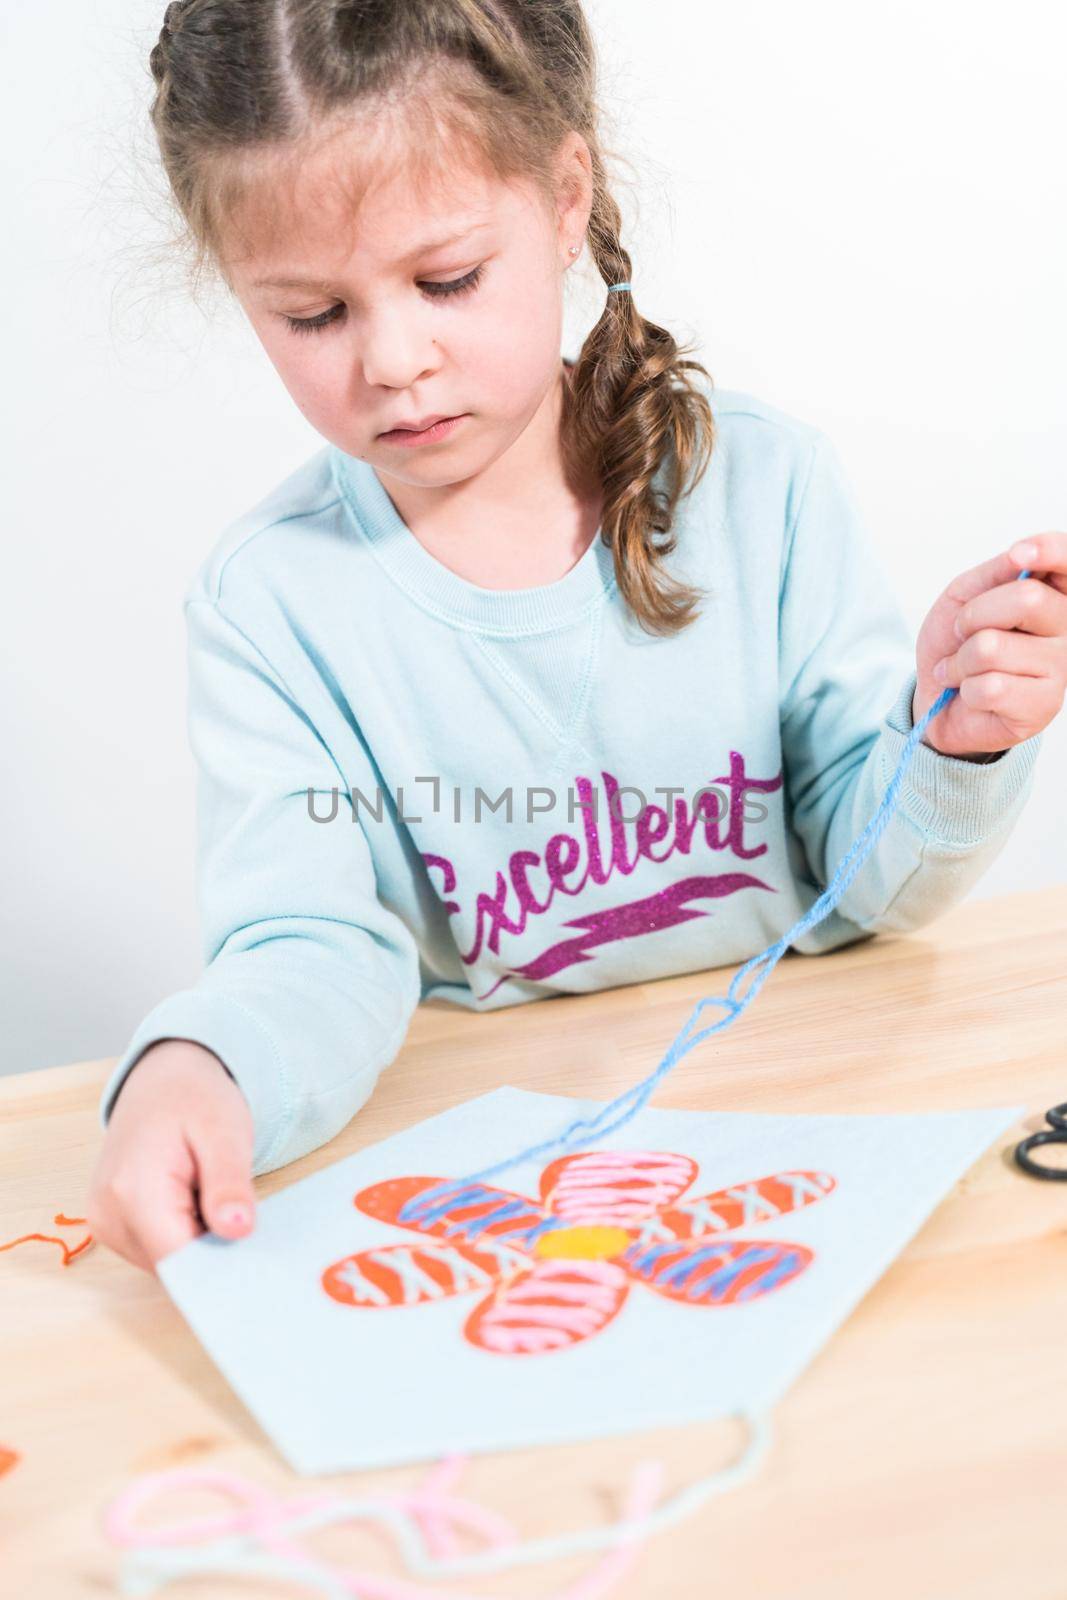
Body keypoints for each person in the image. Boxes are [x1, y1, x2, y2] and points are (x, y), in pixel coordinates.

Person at [86, 0, 1066, 1272]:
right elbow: (312, 949)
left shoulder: (764, 491)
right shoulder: (270, 608)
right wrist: (199, 1068)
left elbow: (866, 881)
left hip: (825, 1129)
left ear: (563, 197)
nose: (392, 360)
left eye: (446, 280)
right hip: (502, 1205)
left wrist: (959, 740)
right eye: (310, 314)